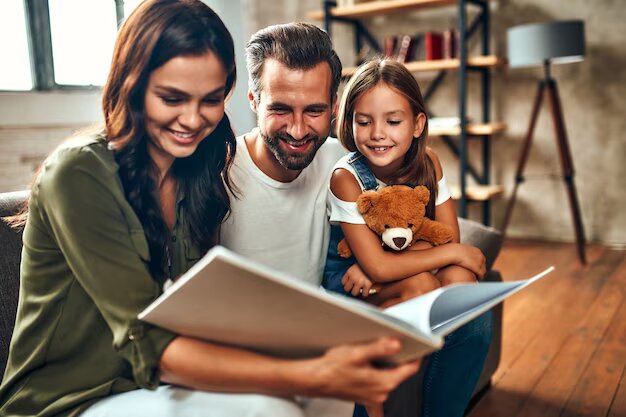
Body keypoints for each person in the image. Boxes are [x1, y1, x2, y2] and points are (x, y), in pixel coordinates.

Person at [0, 3, 418, 417]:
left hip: (157, 386)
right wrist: (311, 373)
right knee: (269, 407)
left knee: (319, 398)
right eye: (172, 98)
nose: (192, 119)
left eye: (210, 100)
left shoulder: (199, 166)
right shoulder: (80, 171)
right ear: (131, 86)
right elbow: (151, 342)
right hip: (70, 400)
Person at [220, 24, 491, 417]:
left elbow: (405, 219)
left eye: (314, 110)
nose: (298, 130)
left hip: (337, 317)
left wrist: (376, 269)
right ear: (252, 100)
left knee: (470, 313)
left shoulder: (341, 157)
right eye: (280, 108)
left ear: (333, 108)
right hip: (264, 342)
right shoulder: (219, 177)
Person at [323, 58, 489, 417]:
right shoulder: (347, 178)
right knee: (421, 285)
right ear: (350, 123)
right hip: (352, 281)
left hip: (382, 272)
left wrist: (449, 254)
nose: (377, 133)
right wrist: (381, 265)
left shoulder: (429, 162)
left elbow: (447, 239)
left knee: (464, 285)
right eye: (364, 122)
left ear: (417, 125)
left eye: (393, 121)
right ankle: (368, 390)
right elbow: (381, 265)